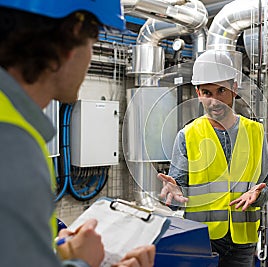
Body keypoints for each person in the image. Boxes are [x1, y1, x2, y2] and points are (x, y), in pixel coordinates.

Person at [0, 1, 155, 267]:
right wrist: (84, 262)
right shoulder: (13, 146)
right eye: (92, 43)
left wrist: (53, 252)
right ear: (69, 40)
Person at [157, 50, 268, 267]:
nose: (214, 101)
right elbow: (178, 194)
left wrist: (258, 195)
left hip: (244, 241)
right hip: (201, 239)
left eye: (221, 90)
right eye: (207, 92)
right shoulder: (188, 135)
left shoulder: (256, 132)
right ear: (198, 93)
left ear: (234, 88)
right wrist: (175, 195)